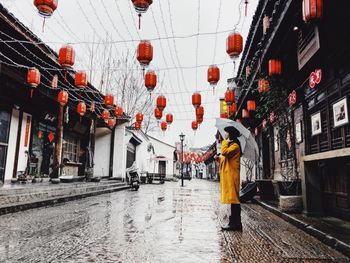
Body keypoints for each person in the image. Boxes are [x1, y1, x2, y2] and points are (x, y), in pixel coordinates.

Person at [214, 126, 242, 231]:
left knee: (234, 200)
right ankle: (233, 222)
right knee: (232, 200)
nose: (224, 135)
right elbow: (225, 158)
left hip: (232, 176)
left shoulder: (235, 146)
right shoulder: (231, 145)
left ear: (230, 134)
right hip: (229, 176)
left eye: (226, 133)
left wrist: (225, 141)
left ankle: (236, 223)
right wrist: (218, 159)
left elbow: (225, 152)